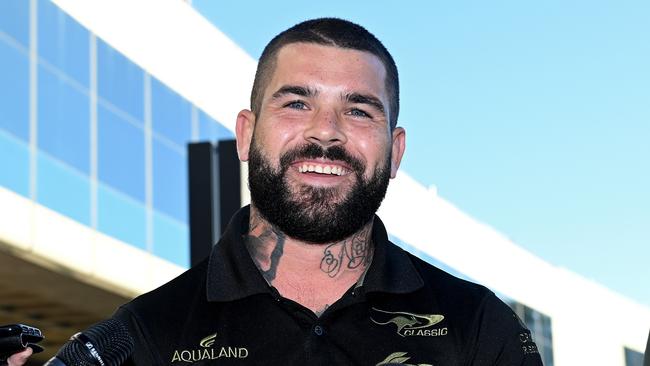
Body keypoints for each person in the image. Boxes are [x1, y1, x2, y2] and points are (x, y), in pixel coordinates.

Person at [9, 18, 543, 366]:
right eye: (295, 103)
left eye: (358, 110)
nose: (325, 131)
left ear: (395, 150)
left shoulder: (479, 329)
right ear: (246, 133)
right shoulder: (146, 335)